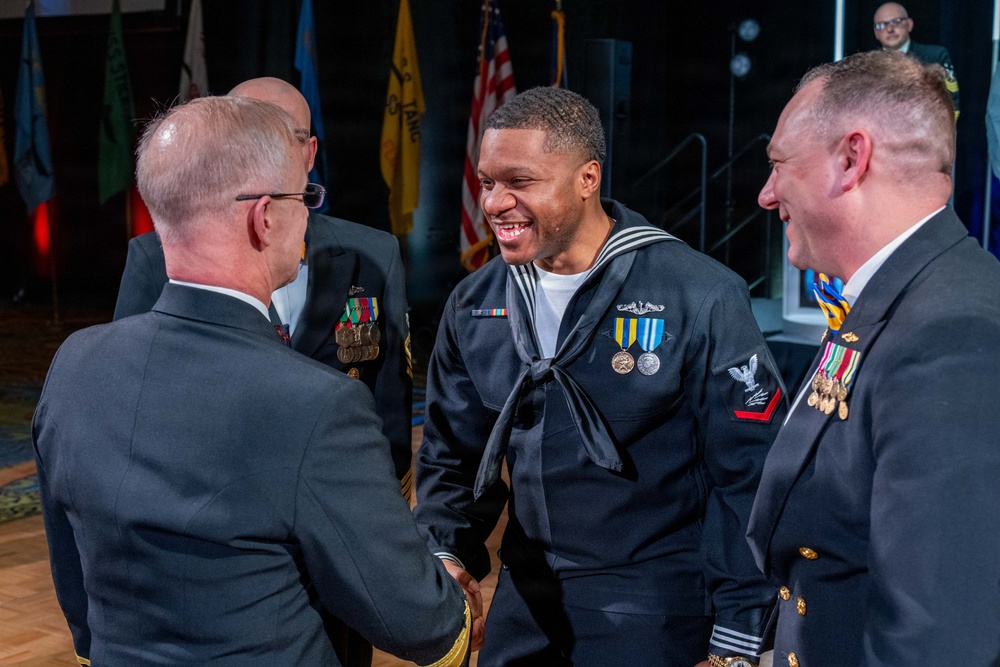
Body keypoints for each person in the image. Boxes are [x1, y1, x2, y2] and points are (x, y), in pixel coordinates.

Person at [33, 96, 472, 666]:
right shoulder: (317, 404)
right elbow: (418, 623)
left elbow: (75, 582)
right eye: (303, 197)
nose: (310, 214)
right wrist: (446, 580)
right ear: (264, 217)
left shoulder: (74, 364)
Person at [413, 86, 787, 667]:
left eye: (521, 181)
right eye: (487, 182)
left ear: (588, 179)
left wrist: (738, 638)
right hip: (525, 607)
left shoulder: (699, 295)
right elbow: (449, 455)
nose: (494, 202)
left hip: (657, 605)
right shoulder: (475, 303)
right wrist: (445, 555)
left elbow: (751, 478)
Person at [748, 50, 1000, 667]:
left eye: (779, 164)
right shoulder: (898, 299)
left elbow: (936, 641)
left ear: (852, 158)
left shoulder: (952, 333)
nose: (766, 193)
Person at [114, 77, 414, 501]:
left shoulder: (373, 252)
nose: (266, 148)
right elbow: (133, 394)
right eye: (250, 132)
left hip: (337, 493)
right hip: (214, 497)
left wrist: (386, 500)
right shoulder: (156, 255)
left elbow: (390, 399)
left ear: (309, 152)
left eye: (283, 134)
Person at [873, 2, 959, 116]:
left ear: (909, 24)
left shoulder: (935, 56)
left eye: (896, 22)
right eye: (882, 25)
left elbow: (951, 101)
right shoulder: (869, 63)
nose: (889, 29)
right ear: (876, 33)